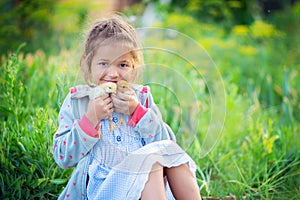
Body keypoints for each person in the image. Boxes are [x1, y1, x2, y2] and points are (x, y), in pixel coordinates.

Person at [52, 14, 201, 200]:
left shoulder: (141, 98)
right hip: (104, 187)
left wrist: (137, 112)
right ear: (88, 62)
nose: (113, 73)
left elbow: (166, 144)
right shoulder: (79, 101)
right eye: (104, 63)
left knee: (165, 154)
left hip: (145, 188)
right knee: (149, 162)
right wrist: (90, 119)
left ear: (134, 65)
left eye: (122, 64)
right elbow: (62, 156)